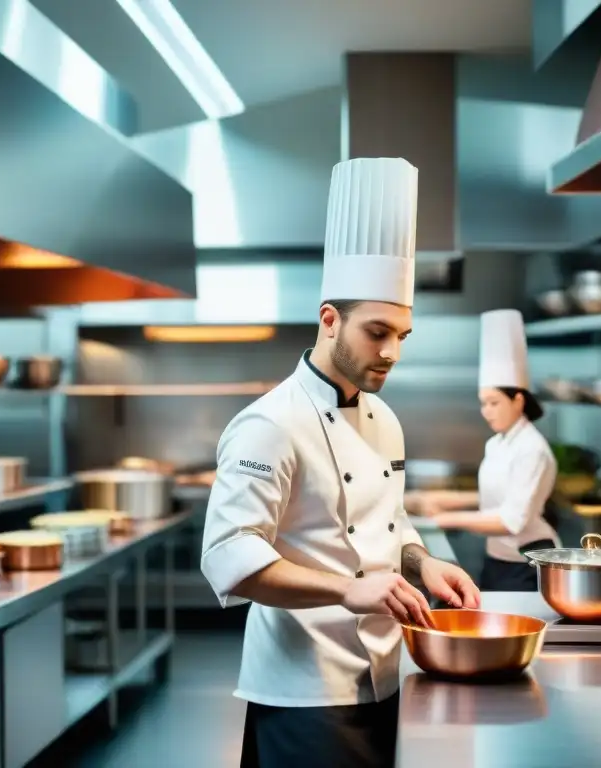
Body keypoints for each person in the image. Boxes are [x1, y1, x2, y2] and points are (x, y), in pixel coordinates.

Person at [200, 157, 481, 768]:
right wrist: (349, 589)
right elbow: (229, 560)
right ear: (330, 320)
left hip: (386, 675)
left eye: (402, 336)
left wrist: (423, 563)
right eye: (377, 332)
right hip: (302, 694)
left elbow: (389, 524)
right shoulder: (269, 424)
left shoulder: (385, 420)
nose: (391, 353)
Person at [405, 309, 559, 592]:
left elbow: (511, 520)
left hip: (527, 559)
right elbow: (493, 497)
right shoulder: (497, 442)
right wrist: (440, 500)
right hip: (497, 558)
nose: (486, 412)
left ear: (518, 400)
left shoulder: (532, 449)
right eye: (482, 403)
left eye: (493, 402)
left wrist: (442, 519)